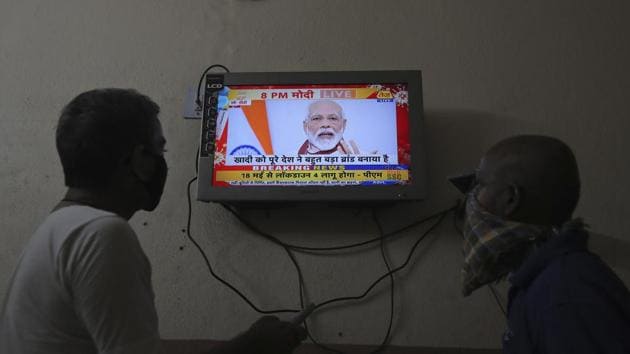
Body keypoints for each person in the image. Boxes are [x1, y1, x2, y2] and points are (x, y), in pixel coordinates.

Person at [0, 89, 306, 354]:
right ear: (138, 161)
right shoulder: (102, 234)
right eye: (160, 149)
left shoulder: (60, 225)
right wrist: (253, 346)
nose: (163, 162)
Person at [459, 135, 630, 353]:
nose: (472, 199)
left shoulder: (566, 297)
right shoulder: (545, 277)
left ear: (510, 199)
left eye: (480, 185)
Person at [297, 100, 363, 155]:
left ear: (344, 125)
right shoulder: (289, 157)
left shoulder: (364, 158)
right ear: (305, 126)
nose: (325, 124)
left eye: (333, 118)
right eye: (316, 118)